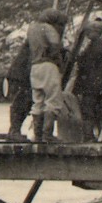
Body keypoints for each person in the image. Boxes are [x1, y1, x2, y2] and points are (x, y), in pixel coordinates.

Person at [28, 8, 68, 142]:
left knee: (38, 101)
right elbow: (55, 47)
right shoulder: (49, 28)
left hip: (35, 67)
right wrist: (58, 61)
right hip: (48, 66)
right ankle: (48, 135)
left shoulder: (32, 28)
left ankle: (37, 135)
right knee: (53, 99)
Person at [72, 19, 102, 141]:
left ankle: (89, 136)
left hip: (92, 84)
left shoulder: (97, 44)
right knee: (100, 110)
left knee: (88, 109)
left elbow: (88, 62)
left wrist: (79, 59)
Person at [4, 39, 32, 141]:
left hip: (21, 73)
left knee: (22, 101)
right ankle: (14, 131)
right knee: (21, 102)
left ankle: (14, 131)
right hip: (21, 74)